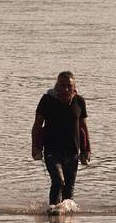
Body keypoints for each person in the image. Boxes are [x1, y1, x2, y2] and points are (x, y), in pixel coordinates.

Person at [31, 71, 91, 209]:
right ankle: (52, 210)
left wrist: (87, 150)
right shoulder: (47, 100)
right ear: (56, 86)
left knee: (68, 190)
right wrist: (35, 147)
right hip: (52, 151)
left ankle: (66, 222)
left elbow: (83, 127)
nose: (65, 89)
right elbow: (37, 125)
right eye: (62, 85)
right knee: (58, 182)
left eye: (69, 86)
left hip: (72, 152)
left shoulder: (79, 102)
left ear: (74, 88)